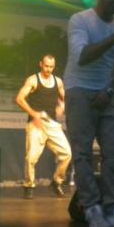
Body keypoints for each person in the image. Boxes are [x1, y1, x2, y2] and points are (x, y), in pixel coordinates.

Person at [63, 0, 114, 227]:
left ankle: (111, 209)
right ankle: (92, 208)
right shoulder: (80, 20)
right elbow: (82, 56)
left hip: (106, 93)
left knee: (113, 154)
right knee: (82, 153)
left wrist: (110, 89)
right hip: (78, 90)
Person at [15, 55, 72, 200]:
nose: (48, 69)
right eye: (46, 66)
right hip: (36, 124)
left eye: (51, 67)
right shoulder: (33, 80)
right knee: (31, 157)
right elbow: (19, 99)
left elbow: (65, 98)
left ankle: (56, 182)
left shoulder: (58, 81)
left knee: (67, 153)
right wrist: (33, 114)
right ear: (41, 64)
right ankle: (29, 185)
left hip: (52, 124)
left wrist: (62, 106)